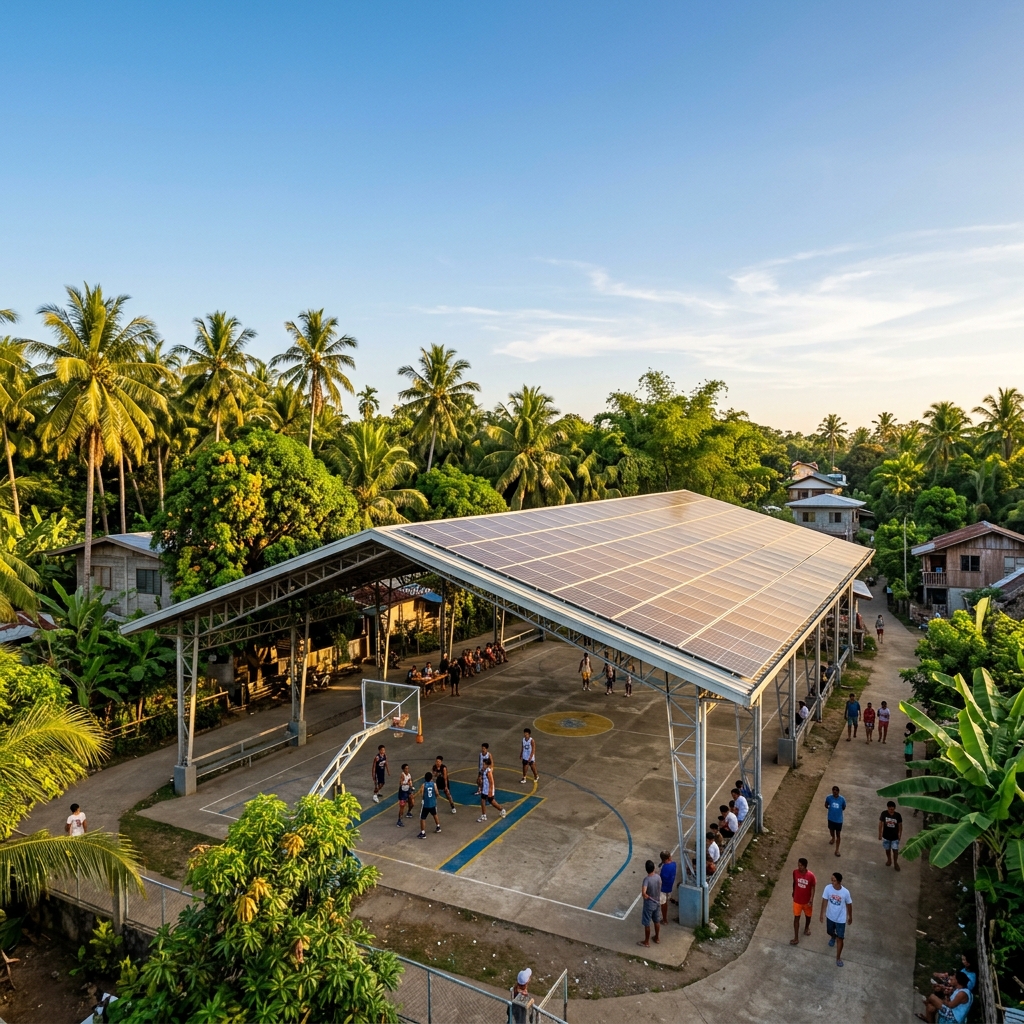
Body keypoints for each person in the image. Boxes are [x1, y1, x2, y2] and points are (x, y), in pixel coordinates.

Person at [820, 872, 852, 967]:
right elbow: (824, 900)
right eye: (831, 880)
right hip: (830, 916)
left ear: (839, 881)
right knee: (829, 931)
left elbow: (849, 904)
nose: (832, 882)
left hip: (840, 919)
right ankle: (833, 936)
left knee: (840, 938)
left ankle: (838, 957)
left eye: (834, 880)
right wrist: (822, 913)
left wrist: (850, 916)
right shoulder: (827, 888)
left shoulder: (845, 892)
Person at [790, 857, 816, 944]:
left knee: (808, 916)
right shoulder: (795, 872)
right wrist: (794, 892)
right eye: (798, 865)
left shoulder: (811, 876)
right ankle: (796, 938)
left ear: (805, 866)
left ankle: (806, 927)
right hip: (797, 900)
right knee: (796, 917)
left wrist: (811, 898)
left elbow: (813, 887)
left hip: (807, 901)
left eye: (801, 865)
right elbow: (794, 883)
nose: (799, 867)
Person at [638, 860, 662, 947]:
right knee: (657, 920)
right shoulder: (658, 877)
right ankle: (657, 937)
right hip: (657, 902)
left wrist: (645, 895)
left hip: (649, 904)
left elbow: (643, 893)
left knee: (647, 922)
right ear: (654, 868)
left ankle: (646, 941)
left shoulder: (646, 880)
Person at [477, 756, 507, 822]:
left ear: (487, 765)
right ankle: (484, 815)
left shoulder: (488, 772)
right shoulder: (483, 770)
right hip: (485, 789)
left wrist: (490, 791)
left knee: (492, 802)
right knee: (482, 800)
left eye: (484, 764)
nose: (483, 765)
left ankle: (502, 810)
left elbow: (491, 782)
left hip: (489, 789)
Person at [879, 800, 903, 871]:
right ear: (887, 808)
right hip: (886, 836)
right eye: (889, 809)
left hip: (895, 837)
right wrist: (880, 834)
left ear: (894, 808)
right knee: (887, 849)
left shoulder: (898, 815)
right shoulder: (884, 814)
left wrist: (899, 834)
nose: (891, 811)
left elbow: (900, 826)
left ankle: (895, 863)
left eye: (892, 809)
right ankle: (889, 860)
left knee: (895, 850)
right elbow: (881, 824)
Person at [417, 771, 441, 839]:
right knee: (434, 814)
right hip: (432, 803)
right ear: (431, 778)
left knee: (422, 818)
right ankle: (438, 826)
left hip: (426, 804)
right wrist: (435, 797)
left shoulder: (424, 785)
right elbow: (437, 793)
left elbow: (421, 794)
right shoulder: (434, 784)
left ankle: (423, 833)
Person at [825, 786, 846, 856]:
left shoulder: (842, 799)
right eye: (834, 791)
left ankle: (837, 850)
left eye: (836, 791)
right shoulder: (829, 798)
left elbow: (843, 807)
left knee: (838, 834)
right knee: (831, 831)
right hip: (831, 819)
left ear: (838, 792)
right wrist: (829, 809)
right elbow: (826, 804)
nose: (835, 792)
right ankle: (833, 837)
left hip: (839, 820)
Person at [658, 851, 676, 921]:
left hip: (663, 889)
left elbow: (660, 879)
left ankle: (664, 920)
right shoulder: (674, 864)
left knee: (663, 904)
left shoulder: (664, 869)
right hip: (670, 887)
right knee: (666, 901)